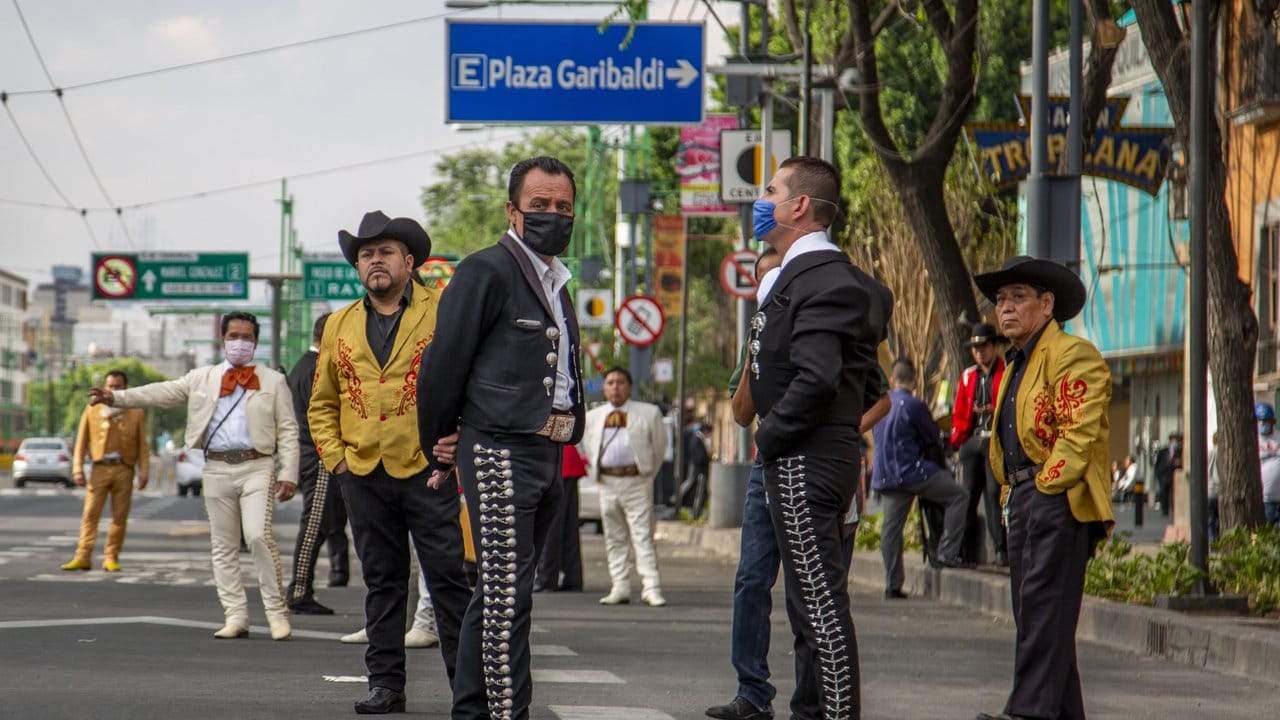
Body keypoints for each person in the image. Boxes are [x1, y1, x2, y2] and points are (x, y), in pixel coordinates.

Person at [417, 155, 587, 720]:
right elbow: (443, 364)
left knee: (501, 593)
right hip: (496, 449)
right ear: (512, 210)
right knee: (505, 596)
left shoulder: (558, 284)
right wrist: (441, 439)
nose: (553, 216)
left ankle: (472, 709)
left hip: (548, 451)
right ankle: (504, 710)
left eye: (563, 206)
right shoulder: (485, 270)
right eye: (539, 206)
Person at [706, 248, 891, 720]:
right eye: (764, 284)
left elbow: (878, 398)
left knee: (811, 593)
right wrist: (755, 351)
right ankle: (751, 691)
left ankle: (811, 704)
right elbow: (741, 412)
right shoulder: (761, 339)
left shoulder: (829, 329)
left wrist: (843, 432)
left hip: (816, 464)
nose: (773, 292)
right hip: (767, 465)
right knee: (751, 578)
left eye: (779, 281)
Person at [309, 210, 472, 715]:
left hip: (430, 470)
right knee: (382, 580)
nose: (374, 262)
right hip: (361, 472)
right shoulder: (339, 323)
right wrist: (337, 460)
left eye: (383, 253)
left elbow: (470, 384)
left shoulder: (444, 311)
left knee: (446, 579)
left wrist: (460, 440)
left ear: (408, 261)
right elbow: (321, 402)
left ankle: (468, 688)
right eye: (365, 255)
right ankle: (386, 684)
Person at [746, 156, 891, 720]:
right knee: (809, 602)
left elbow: (817, 376)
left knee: (821, 606)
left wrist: (770, 437)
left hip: (806, 456)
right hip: (810, 454)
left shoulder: (822, 278)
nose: (763, 201)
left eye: (772, 190)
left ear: (799, 205)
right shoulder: (809, 276)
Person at [88, 312, 299, 641]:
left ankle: (276, 613)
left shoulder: (273, 380)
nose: (239, 342)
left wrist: (289, 473)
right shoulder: (202, 377)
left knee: (258, 535)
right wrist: (117, 397)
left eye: (246, 337)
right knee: (223, 545)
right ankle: (235, 616)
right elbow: (161, 392)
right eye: (233, 336)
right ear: (222, 340)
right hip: (215, 468)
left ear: (256, 343)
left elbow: (288, 430)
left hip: (258, 466)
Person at [972, 256, 1114, 720]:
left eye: (1017, 297)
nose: (1005, 308)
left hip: (1057, 498)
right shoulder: (1014, 365)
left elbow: (1078, 433)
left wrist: (1045, 488)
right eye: (1000, 300)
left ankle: (1027, 712)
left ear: (1046, 303)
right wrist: (1014, 495)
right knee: (1038, 616)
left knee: (1040, 611)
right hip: (1023, 497)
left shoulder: (1073, 354)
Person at [871, 359, 971, 597]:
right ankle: (947, 553)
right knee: (959, 496)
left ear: (893, 380)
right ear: (915, 379)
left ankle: (892, 585)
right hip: (913, 472)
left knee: (891, 530)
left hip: (886, 477)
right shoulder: (913, 404)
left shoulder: (880, 404)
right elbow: (932, 437)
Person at [579, 367, 669, 607]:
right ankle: (619, 586)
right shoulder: (594, 416)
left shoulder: (648, 413)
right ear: (604, 387)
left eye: (620, 382)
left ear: (629, 387)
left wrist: (647, 472)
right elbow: (587, 446)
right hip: (607, 484)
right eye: (610, 382)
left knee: (642, 536)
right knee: (614, 537)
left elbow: (658, 447)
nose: (615, 387)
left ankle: (651, 587)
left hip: (636, 482)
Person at [284, 312, 350, 615]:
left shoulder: (304, 365)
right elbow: (321, 417)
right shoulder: (314, 368)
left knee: (324, 524)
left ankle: (302, 588)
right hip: (320, 456)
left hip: (315, 454)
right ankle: (299, 590)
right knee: (313, 524)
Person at [62, 370, 149, 572]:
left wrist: (143, 472)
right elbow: (81, 442)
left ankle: (111, 557)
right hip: (99, 468)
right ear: (104, 387)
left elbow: (143, 446)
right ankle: (83, 555)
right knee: (90, 514)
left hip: (124, 469)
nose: (113, 390)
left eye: (118, 386)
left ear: (125, 388)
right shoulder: (92, 408)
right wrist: (77, 470)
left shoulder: (135, 411)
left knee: (119, 516)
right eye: (110, 386)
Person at [950, 322, 1008, 566]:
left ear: (995, 346)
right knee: (967, 496)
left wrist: (992, 410)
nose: (979, 352)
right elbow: (960, 413)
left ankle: (1001, 550)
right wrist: (958, 443)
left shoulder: (1006, 373)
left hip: (995, 442)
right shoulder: (967, 376)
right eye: (975, 348)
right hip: (972, 440)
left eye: (983, 347)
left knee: (994, 494)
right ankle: (963, 550)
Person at [534, 444, 587, 593]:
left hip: (554, 462)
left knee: (552, 525)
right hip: (566, 460)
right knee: (568, 526)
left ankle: (547, 577)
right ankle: (572, 576)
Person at [1257, 404, 1280, 527]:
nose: (1263, 423)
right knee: (1263, 536)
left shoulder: (1279, 438)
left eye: (1266, 420)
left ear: (1273, 421)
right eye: (1261, 420)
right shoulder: (1253, 441)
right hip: (1264, 501)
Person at [1152, 432, 1183, 517]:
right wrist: (1158, 474)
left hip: (1173, 475)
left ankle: (1174, 510)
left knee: (1173, 494)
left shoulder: (1180, 451)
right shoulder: (1163, 451)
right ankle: (1164, 510)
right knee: (1164, 493)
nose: (1175, 443)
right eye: (1173, 440)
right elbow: (1157, 463)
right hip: (1163, 475)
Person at [1207, 434, 1220, 543]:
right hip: (1220, 489)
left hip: (1210, 489)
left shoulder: (1210, 452)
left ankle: (1212, 540)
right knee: (1219, 517)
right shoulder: (1224, 452)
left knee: (1210, 518)